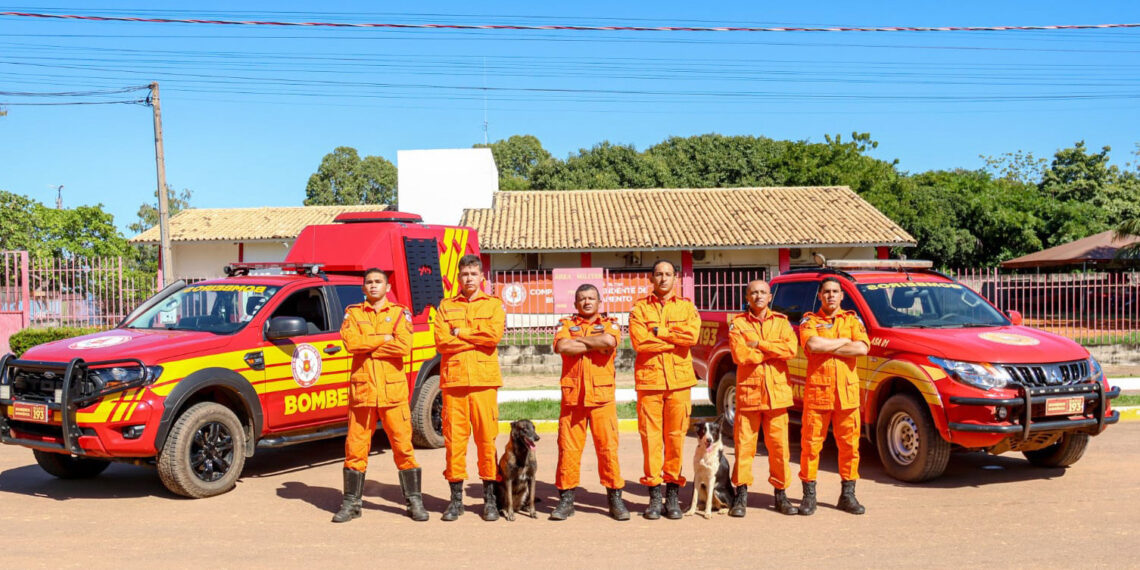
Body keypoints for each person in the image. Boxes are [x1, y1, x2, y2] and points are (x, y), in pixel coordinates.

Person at [333, 268, 428, 523]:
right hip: (363, 393)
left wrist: (369, 344)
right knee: (355, 448)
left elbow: (404, 346)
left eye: (378, 282)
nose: (373, 286)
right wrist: (384, 338)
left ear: (387, 287)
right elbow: (351, 344)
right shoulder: (353, 313)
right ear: (363, 288)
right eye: (369, 283)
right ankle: (351, 503)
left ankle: (413, 502)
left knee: (403, 447)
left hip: (392, 394)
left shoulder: (399, 313)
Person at [433, 254, 506, 522]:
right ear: (459, 277)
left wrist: (460, 333)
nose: (469, 278)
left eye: (474, 274)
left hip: (484, 383)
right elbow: (441, 342)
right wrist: (475, 338)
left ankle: (489, 500)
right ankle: (456, 501)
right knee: (454, 443)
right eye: (464, 274)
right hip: (454, 384)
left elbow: (493, 337)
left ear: (482, 277)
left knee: (487, 441)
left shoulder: (494, 305)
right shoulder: (446, 306)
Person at [550, 284, 629, 521]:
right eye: (582, 299)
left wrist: (580, 342)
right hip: (573, 399)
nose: (586, 302)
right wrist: (592, 342)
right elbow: (562, 346)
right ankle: (566, 500)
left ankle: (615, 497)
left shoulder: (609, 324)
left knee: (608, 450)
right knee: (568, 450)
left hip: (602, 399)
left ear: (599, 302)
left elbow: (609, 341)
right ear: (575, 304)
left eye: (591, 298)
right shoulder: (565, 324)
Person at [629, 260, 700, 520]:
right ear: (651, 278)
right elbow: (640, 342)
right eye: (658, 274)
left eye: (668, 274)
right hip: (650, 382)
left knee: (676, 438)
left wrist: (661, 332)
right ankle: (653, 497)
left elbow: (691, 337)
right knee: (651, 439)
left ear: (676, 278)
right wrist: (674, 340)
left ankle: (672, 494)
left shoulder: (686, 307)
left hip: (679, 382)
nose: (663, 279)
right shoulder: (639, 308)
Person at [726, 279, 799, 517]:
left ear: (770, 297)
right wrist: (771, 351)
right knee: (744, 447)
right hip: (749, 395)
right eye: (753, 293)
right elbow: (740, 355)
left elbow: (790, 349)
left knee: (779, 448)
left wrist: (760, 345)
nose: (758, 296)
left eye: (763, 292)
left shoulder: (781, 322)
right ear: (747, 298)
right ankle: (741, 495)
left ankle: (781, 495)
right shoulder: (737, 323)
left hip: (777, 396)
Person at [798, 276, 870, 516]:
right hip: (819, 393)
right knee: (810, 446)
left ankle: (847, 495)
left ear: (842, 295)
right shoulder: (809, 320)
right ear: (820, 296)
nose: (830, 295)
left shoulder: (851, 319)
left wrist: (831, 343)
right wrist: (844, 342)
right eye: (826, 291)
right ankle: (809, 496)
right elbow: (814, 346)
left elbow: (862, 348)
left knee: (850, 446)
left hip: (847, 395)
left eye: (835, 291)